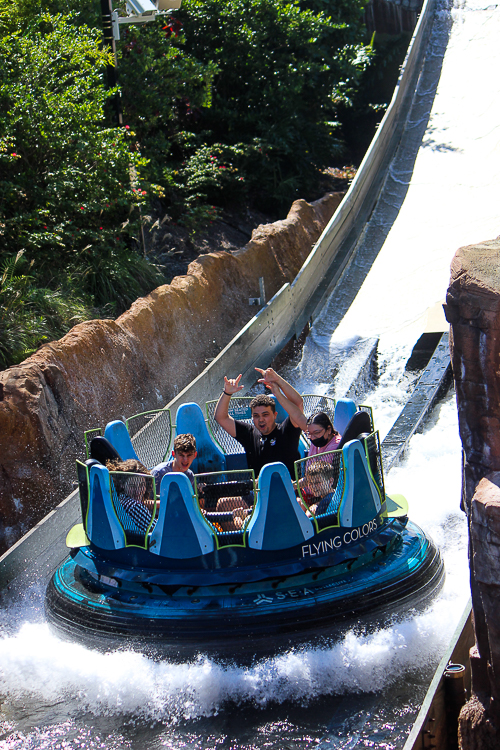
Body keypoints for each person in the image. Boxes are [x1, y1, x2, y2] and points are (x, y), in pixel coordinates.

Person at [214, 368, 304, 478]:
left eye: (265, 415)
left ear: (275, 415)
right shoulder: (250, 433)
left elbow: (298, 404)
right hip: (260, 492)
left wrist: (278, 381)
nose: (261, 419)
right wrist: (227, 393)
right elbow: (221, 417)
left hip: (290, 491)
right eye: (256, 416)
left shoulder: (286, 430)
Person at [106, 458, 158, 533]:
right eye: (132, 486)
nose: (138, 491)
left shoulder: (120, 498)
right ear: (122, 484)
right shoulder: (134, 506)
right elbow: (158, 531)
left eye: (141, 485)